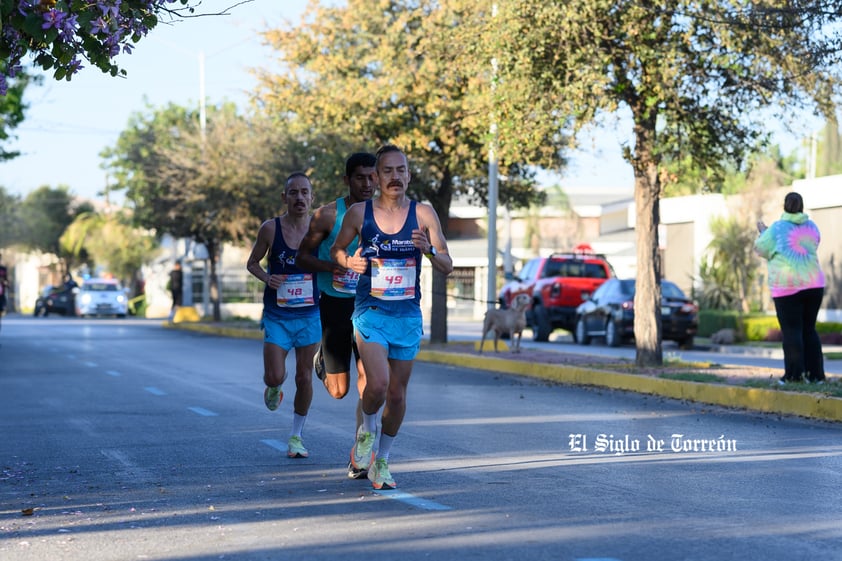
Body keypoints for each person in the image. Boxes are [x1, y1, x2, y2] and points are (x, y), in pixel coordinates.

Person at [330, 144, 453, 489]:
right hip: (371, 312)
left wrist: (428, 251)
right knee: (378, 384)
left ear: (409, 175)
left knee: (397, 396)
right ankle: (366, 432)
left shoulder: (425, 214)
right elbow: (336, 250)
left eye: (401, 170)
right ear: (377, 177)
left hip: (407, 315)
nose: (395, 176)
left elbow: (448, 265)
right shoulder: (359, 214)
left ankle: (382, 461)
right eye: (388, 171)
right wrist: (347, 262)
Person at [295, 152, 377, 479]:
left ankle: (361, 453)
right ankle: (323, 361)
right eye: (360, 177)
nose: (368, 184)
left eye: (373, 177)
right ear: (347, 180)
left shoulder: (387, 214)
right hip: (335, 303)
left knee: (370, 382)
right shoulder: (328, 215)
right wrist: (333, 265)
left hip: (371, 304)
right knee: (339, 390)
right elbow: (302, 256)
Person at [246, 172, 321, 459]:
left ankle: (296, 436)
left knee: (304, 377)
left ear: (312, 197)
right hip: (277, 316)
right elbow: (252, 263)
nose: (299, 198)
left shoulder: (320, 230)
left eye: (305, 192)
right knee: (274, 375)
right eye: (293, 193)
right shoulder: (270, 229)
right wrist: (268, 278)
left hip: (310, 315)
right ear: (284, 197)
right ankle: (275, 385)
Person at [755, 191, 826, 385]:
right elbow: (814, 243)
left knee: (792, 331)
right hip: (814, 284)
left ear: (785, 206)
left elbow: (761, 248)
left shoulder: (776, 229)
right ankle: (816, 376)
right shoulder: (812, 226)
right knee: (809, 330)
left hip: (788, 286)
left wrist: (763, 232)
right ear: (801, 207)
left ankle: (794, 376)